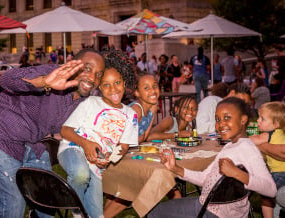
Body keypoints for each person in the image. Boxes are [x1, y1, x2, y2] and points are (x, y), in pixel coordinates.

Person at [0, 48, 105, 217]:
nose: (93, 78)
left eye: (99, 74)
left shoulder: (83, 102)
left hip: (33, 145)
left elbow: (63, 129)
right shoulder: (52, 72)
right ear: (73, 65)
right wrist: (44, 82)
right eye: (87, 68)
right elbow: (6, 79)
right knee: (12, 204)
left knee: (47, 202)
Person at [148, 97, 277, 218]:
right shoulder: (231, 146)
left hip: (212, 212)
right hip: (213, 207)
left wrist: (237, 173)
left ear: (243, 120)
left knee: (153, 213)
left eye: (227, 118)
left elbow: (271, 190)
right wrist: (175, 168)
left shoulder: (247, 149)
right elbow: (205, 178)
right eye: (217, 119)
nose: (221, 124)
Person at [57, 49, 138, 218]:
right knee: (80, 174)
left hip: (97, 166)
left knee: (97, 214)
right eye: (106, 85)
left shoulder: (131, 115)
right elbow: (65, 130)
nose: (113, 89)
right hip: (73, 149)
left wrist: (110, 160)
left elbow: (123, 146)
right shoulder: (90, 102)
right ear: (100, 87)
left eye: (117, 83)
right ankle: (76, 212)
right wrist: (86, 144)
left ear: (124, 83)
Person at [103, 73, 160, 218]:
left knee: (118, 193)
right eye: (146, 88)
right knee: (132, 189)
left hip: (122, 153)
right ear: (137, 93)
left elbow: (144, 137)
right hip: (112, 154)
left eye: (155, 86)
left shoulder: (150, 108)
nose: (153, 91)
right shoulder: (137, 110)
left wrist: (153, 113)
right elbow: (118, 139)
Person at [250, 102, 285, 218]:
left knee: (266, 194)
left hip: (279, 174)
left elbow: (253, 140)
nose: (258, 121)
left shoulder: (269, 134)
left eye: (262, 119)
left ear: (276, 124)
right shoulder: (282, 133)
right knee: (277, 197)